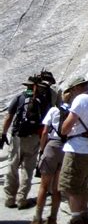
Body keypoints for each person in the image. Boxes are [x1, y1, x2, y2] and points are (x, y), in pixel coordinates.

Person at [58, 77, 88, 224]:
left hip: (77, 148)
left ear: (76, 88)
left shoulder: (81, 99)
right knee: (81, 186)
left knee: (70, 187)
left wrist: (63, 128)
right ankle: (84, 219)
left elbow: (66, 127)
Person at [1, 76, 50, 209]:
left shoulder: (20, 97)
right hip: (33, 138)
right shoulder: (44, 100)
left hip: (18, 136)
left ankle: (10, 198)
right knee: (27, 169)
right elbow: (46, 123)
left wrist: (3, 133)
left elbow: (9, 117)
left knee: (12, 166)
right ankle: (22, 199)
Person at [28, 92, 71, 224]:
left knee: (43, 186)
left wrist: (41, 150)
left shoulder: (54, 110)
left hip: (52, 147)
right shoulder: (72, 111)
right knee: (57, 188)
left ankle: (37, 220)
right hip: (66, 148)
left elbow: (45, 131)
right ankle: (52, 220)